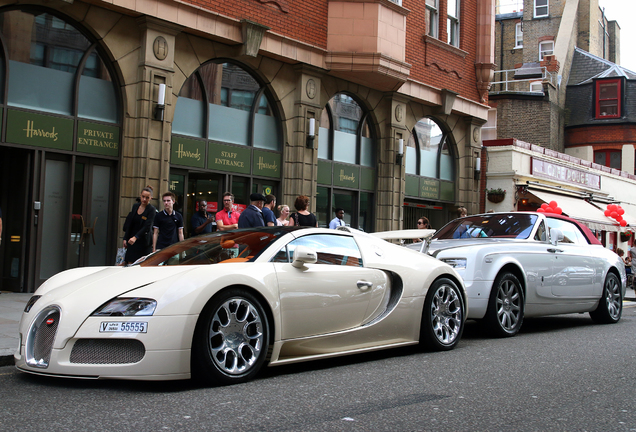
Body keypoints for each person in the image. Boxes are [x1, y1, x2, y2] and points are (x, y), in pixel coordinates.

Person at [123, 186, 156, 264]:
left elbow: (147, 226)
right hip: (132, 240)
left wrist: (136, 237)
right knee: (130, 263)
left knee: (142, 264)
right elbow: (130, 223)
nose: (144, 199)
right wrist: (125, 238)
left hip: (143, 241)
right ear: (140, 195)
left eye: (147, 198)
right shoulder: (135, 206)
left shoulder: (151, 210)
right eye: (143, 197)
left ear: (151, 198)